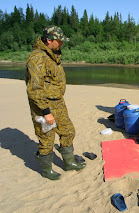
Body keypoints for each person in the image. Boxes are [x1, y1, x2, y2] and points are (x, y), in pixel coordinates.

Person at [25, 25, 86, 180]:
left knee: (68, 131)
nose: (61, 44)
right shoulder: (37, 58)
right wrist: (46, 112)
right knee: (46, 138)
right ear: (49, 40)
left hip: (58, 102)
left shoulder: (53, 55)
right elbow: (34, 88)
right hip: (43, 106)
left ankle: (69, 162)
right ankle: (47, 170)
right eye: (59, 41)